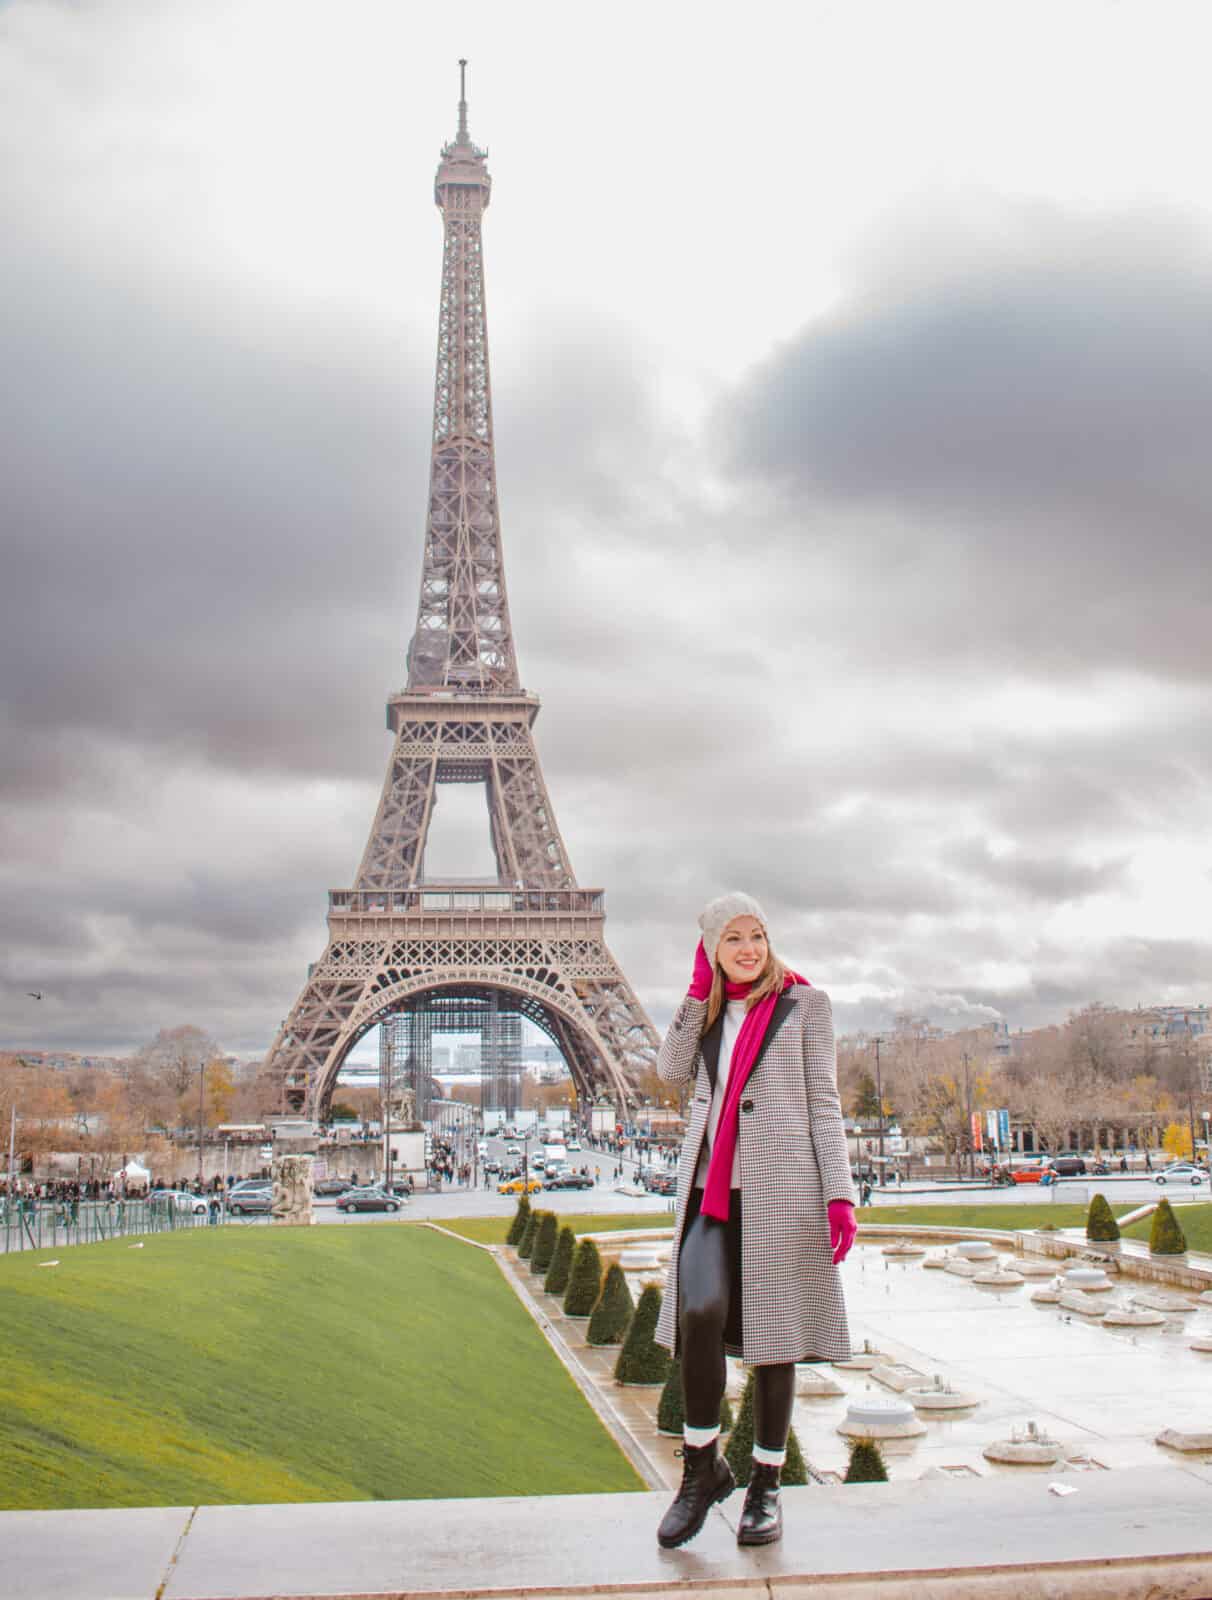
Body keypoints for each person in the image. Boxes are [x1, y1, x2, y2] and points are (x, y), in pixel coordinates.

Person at [653, 893, 857, 1551]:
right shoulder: (708, 1011)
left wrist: (840, 1196)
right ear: (712, 949)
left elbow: (824, 1105)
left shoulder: (807, 1006)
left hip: (783, 1190)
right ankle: (702, 1467)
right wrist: (694, 994)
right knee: (699, 1311)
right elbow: (669, 1071)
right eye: (733, 938)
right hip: (712, 1190)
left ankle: (766, 1486)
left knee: (776, 1339)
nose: (748, 948)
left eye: (757, 935)